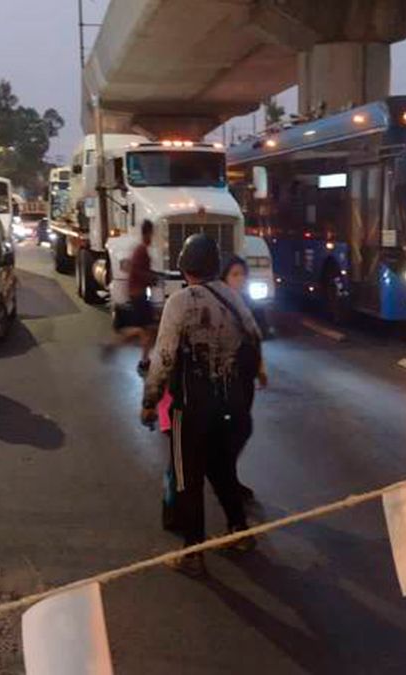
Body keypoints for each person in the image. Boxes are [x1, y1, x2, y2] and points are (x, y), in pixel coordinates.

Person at [142, 233, 263, 578]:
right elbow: (253, 338)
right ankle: (239, 532)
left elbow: (163, 357)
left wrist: (150, 401)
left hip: (192, 407)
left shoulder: (180, 302)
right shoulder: (233, 298)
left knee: (187, 478)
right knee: (222, 469)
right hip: (230, 404)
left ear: (184, 266)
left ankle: (193, 553)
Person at [220, 256, 269, 500]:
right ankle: (226, 480)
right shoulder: (220, 306)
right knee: (239, 428)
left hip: (246, 378)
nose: (240, 279)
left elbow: (256, 338)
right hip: (229, 380)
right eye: (235, 274)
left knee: (241, 428)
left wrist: (261, 368)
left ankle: (229, 477)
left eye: (243, 274)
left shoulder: (247, 305)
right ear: (224, 278)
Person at [107, 220, 158, 375]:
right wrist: (151, 278)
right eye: (152, 233)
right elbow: (136, 271)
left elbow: (134, 269)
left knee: (147, 329)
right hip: (139, 294)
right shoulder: (141, 250)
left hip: (138, 293)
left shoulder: (140, 249)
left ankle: (144, 360)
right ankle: (122, 348)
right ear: (148, 233)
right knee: (145, 329)